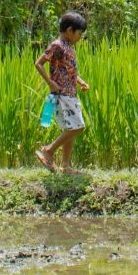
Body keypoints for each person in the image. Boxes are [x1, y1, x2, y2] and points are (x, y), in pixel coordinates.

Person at [34, 11, 89, 173]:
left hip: (71, 94)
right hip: (62, 94)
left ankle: (66, 165)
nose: (80, 37)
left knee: (70, 128)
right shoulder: (57, 45)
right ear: (70, 30)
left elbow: (68, 70)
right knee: (78, 127)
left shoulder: (69, 47)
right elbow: (39, 63)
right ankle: (49, 150)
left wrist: (81, 81)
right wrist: (50, 83)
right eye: (79, 33)